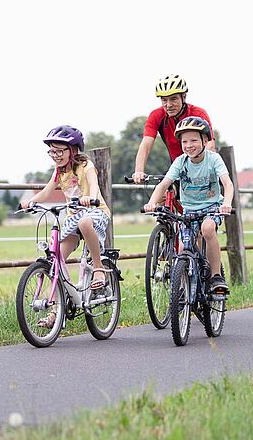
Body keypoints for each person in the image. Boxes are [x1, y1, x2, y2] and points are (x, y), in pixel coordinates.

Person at [21, 125, 111, 327]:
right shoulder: (59, 172)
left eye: (60, 150)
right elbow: (46, 192)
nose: (55, 155)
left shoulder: (85, 166)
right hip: (73, 217)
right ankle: (59, 308)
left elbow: (94, 183)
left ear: (73, 150)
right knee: (56, 259)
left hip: (95, 211)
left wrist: (91, 197)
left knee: (84, 221)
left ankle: (98, 268)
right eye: (52, 151)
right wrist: (31, 202)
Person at [142, 117, 233, 292]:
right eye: (184, 141)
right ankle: (186, 286)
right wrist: (152, 202)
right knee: (184, 247)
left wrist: (226, 203)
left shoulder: (213, 159)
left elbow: (228, 184)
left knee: (207, 229)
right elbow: (164, 184)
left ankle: (215, 276)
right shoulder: (180, 162)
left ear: (205, 140)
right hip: (189, 209)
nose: (189, 145)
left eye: (193, 140)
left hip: (212, 207)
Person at [132, 74, 216, 184]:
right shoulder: (156, 115)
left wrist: (203, 169)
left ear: (184, 97)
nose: (168, 105)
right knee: (162, 195)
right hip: (177, 168)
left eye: (173, 99)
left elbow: (210, 145)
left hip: (201, 168)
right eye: (164, 100)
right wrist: (139, 171)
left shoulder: (198, 113)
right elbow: (146, 145)